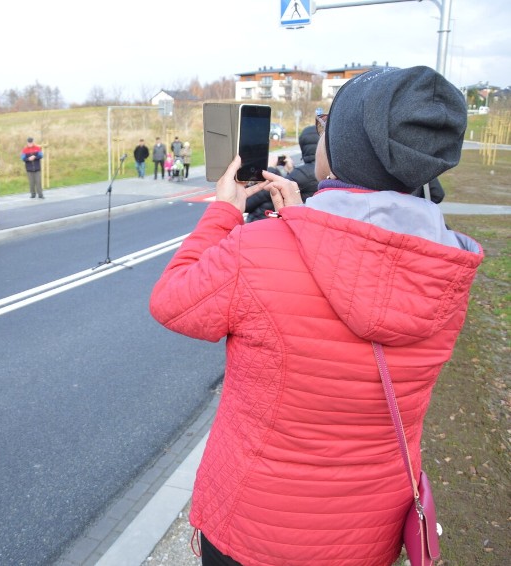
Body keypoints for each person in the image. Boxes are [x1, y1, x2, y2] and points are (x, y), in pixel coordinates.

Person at [149, 66, 483, 565]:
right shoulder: (449, 263)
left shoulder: (258, 248)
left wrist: (223, 213)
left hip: (253, 528)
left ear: (348, 146)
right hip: (365, 536)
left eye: (326, 124)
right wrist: (306, 217)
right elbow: (366, 261)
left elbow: (172, 300)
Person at [246, 125, 319, 223]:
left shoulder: (303, 173)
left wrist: (271, 169)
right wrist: (291, 170)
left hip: (264, 226)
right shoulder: (321, 172)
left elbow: (248, 203)